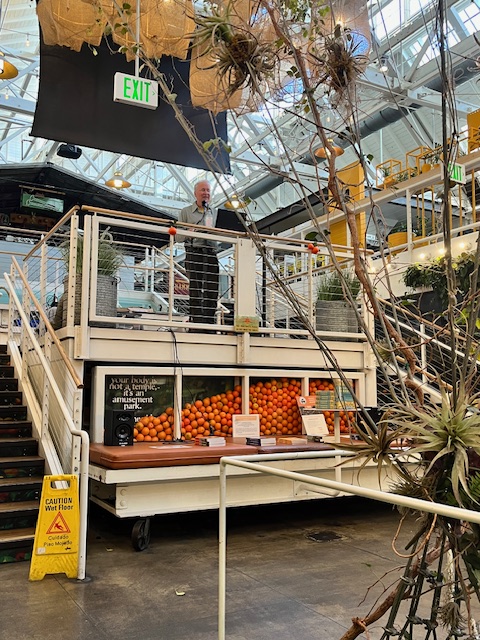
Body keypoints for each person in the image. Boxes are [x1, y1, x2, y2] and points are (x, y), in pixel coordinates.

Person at [178, 180, 219, 327]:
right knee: (196, 288)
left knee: (212, 288)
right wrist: (189, 232)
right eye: (203, 190)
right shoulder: (186, 212)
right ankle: (196, 322)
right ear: (195, 193)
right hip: (194, 252)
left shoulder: (215, 212)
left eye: (208, 190)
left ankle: (209, 323)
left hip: (211, 253)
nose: (206, 193)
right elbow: (178, 237)